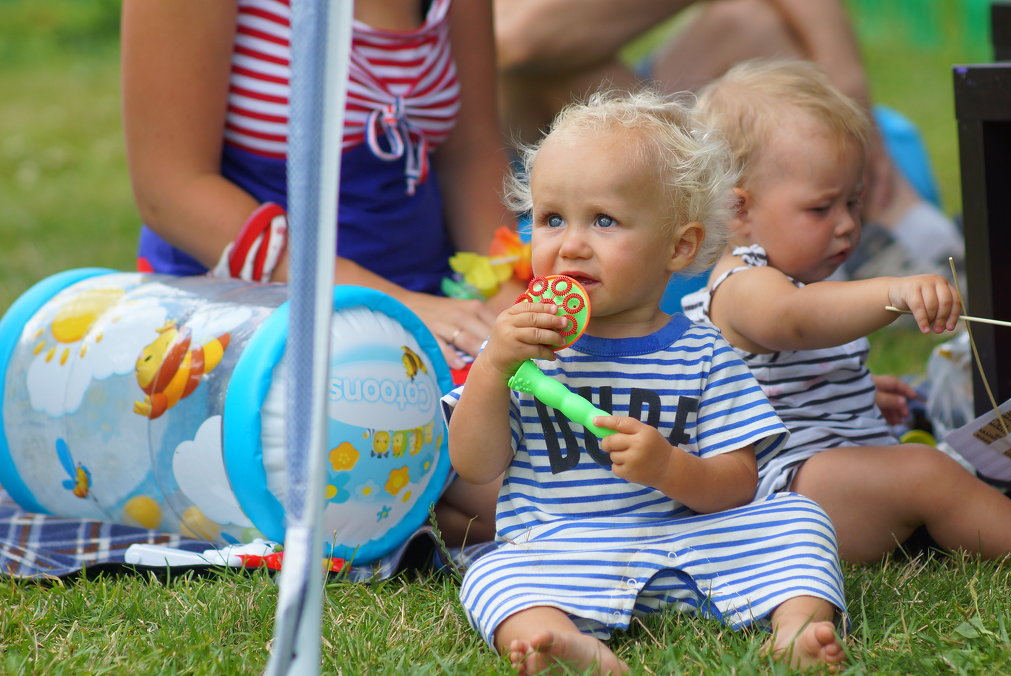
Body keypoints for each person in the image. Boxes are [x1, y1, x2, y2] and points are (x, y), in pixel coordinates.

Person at [682, 59, 1011, 567]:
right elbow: (794, 319)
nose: (846, 225)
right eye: (821, 209)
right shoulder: (740, 285)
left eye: (854, 201)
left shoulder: (790, 276)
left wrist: (858, 389)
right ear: (739, 212)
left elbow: (783, 379)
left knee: (945, 459)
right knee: (924, 471)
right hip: (780, 502)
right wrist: (891, 290)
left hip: (818, 482)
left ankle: (985, 528)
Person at [445, 90, 847, 673]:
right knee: (492, 569)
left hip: (697, 547)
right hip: (565, 551)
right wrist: (491, 369)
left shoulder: (706, 353)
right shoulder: (519, 348)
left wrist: (668, 468)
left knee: (800, 518)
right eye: (551, 219)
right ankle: (563, 644)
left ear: (679, 246)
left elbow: (739, 483)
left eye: (603, 220)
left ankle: (796, 631)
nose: (571, 243)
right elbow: (475, 464)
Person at [121, 0, 508, 547]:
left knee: (590, 445)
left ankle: (413, 512)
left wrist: (504, 286)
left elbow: (469, 153)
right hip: (254, 320)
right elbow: (172, 192)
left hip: (428, 309)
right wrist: (386, 302)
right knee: (518, 490)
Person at [494, 0, 963, 290]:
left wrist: (849, 85)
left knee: (750, 20)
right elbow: (516, 38)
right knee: (533, 51)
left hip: (632, 91)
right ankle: (813, 246)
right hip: (545, 131)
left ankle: (885, 212)